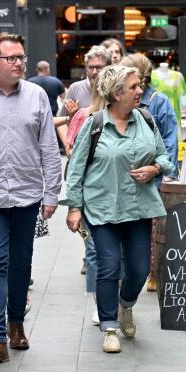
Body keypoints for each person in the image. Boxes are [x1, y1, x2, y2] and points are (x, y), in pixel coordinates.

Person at [64, 65, 172, 353]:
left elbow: (164, 155)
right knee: (109, 264)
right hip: (102, 207)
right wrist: (74, 207)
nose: (140, 91)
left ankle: (126, 306)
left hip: (138, 207)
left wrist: (155, 167)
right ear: (116, 93)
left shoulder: (146, 119)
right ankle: (109, 325)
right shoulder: (95, 124)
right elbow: (75, 169)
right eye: (135, 87)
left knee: (138, 269)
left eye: (140, 85)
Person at [0, 32, 62, 367]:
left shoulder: (36, 95)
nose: (20, 63)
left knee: (21, 265)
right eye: (12, 58)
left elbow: (50, 148)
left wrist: (52, 193)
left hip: (27, 194)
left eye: (22, 57)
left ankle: (16, 325)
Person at [121, 54, 179, 292]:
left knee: (149, 232)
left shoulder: (158, 101)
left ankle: (148, 275)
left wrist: (164, 172)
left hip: (150, 181)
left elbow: (169, 139)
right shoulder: (115, 100)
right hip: (120, 182)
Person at [65, 81, 107, 325]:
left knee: (119, 255)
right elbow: (70, 151)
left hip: (119, 196)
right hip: (90, 194)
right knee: (92, 250)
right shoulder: (83, 115)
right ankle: (100, 303)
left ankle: (119, 300)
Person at [56, 45, 112, 149]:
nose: (94, 72)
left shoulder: (114, 90)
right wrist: (68, 149)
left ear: (108, 67)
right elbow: (61, 121)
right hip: (80, 150)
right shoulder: (75, 88)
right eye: (90, 67)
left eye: (99, 67)